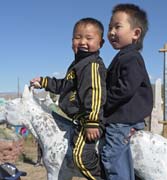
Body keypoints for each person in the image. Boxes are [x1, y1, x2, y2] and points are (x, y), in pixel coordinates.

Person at [30, 17, 106, 180]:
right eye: (77, 37)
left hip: (88, 121)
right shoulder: (77, 65)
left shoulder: (91, 65)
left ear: (100, 43)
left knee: (81, 157)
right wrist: (44, 82)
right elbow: (64, 85)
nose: (82, 42)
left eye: (89, 38)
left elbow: (95, 93)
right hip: (77, 120)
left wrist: (92, 121)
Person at [101, 3, 153, 180]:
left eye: (117, 27)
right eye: (109, 28)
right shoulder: (124, 56)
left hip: (122, 121)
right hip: (124, 118)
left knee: (111, 157)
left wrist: (103, 104)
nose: (111, 32)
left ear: (135, 33)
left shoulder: (131, 58)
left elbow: (125, 88)